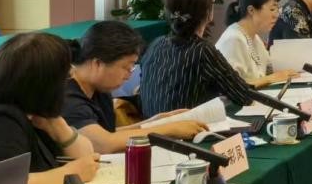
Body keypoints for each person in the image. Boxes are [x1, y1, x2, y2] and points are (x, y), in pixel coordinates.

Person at [0, 33, 100, 184]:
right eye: (65, 76)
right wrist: (71, 174)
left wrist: (59, 128)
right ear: (45, 83)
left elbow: (86, 157)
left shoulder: (33, 110)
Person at [65, 21, 208, 153]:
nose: (128, 76)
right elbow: (103, 143)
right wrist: (170, 129)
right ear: (98, 63)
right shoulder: (68, 97)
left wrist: (157, 121)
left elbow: (109, 134)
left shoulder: (98, 89)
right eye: (126, 67)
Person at [139, 0, 255, 116]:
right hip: (185, 127)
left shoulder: (155, 44)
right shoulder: (202, 50)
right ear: (207, 12)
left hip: (151, 127)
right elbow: (243, 95)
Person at [215, 0, 300, 87]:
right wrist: (271, 78)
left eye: (277, 9)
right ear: (251, 10)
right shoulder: (233, 39)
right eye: (272, 9)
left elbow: (270, 67)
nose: (276, 15)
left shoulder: (254, 37)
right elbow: (231, 87)